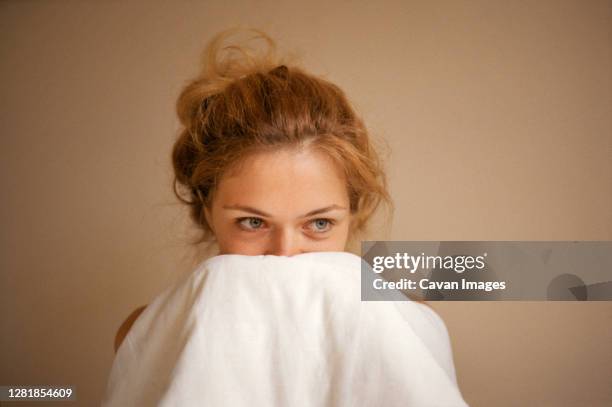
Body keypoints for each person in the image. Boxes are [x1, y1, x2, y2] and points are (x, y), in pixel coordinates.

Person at [113, 27, 394, 353]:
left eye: (319, 224)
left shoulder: (407, 329)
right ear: (208, 212)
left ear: (353, 212)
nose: (284, 254)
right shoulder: (145, 338)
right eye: (253, 222)